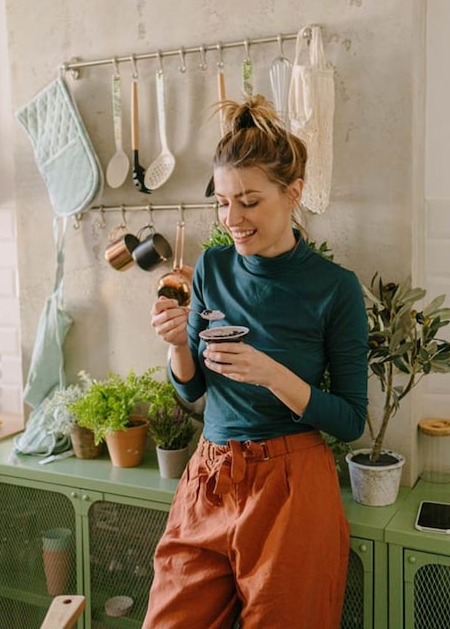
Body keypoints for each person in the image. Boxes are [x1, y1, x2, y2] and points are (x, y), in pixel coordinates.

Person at [143, 94, 368, 629]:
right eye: (222, 203)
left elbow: (352, 420)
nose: (232, 220)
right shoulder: (213, 268)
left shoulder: (334, 289)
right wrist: (177, 346)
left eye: (248, 202)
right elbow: (192, 394)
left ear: (293, 195)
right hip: (210, 478)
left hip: (291, 488)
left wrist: (271, 374)